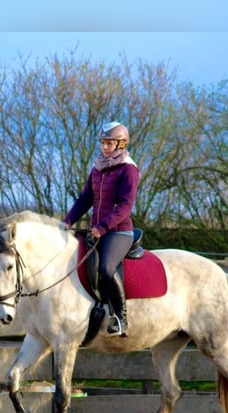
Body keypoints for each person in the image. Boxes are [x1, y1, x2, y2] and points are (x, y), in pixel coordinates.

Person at [63, 121, 139, 337]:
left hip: (119, 231)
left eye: (109, 143)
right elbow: (86, 198)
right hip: (96, 230)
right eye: (103, 143)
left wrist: (103, 226)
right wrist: (68, 221)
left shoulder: (129, 169)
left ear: (121, 144)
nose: (104, 148)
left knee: (106, 268)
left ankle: (121, 318)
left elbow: (125, 206)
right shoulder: (98, 168)